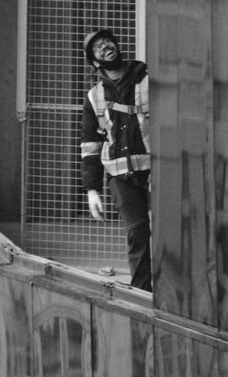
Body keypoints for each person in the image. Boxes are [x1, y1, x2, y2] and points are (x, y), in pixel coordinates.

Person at [80, 29, 152, 291]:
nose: (105, 46)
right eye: (98, 47)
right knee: (137, 235)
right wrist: (92, 190)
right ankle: (144, 296)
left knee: (170, 233)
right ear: (95, 62)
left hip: (157, 171)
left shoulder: (147, 79)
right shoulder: (94, 96)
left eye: (107, 41)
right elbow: (90, 144)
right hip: (120, 177)